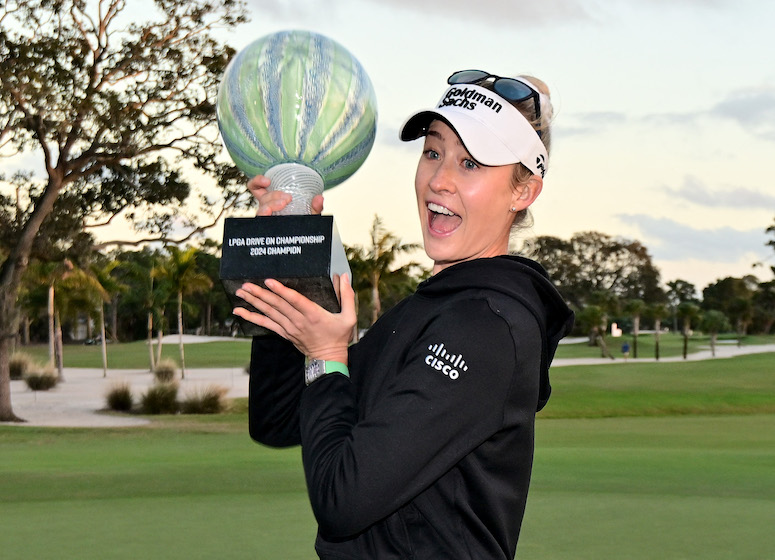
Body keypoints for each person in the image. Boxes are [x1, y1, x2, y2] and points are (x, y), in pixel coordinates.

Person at [234, 69, 574, 560]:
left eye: (472, 163)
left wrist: (329, 355)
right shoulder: (428, 310)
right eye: (433, 152)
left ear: (523, 192)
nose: (440, 180)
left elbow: (343, 501)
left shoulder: (486, 326)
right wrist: (287, 269)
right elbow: (278, 421)